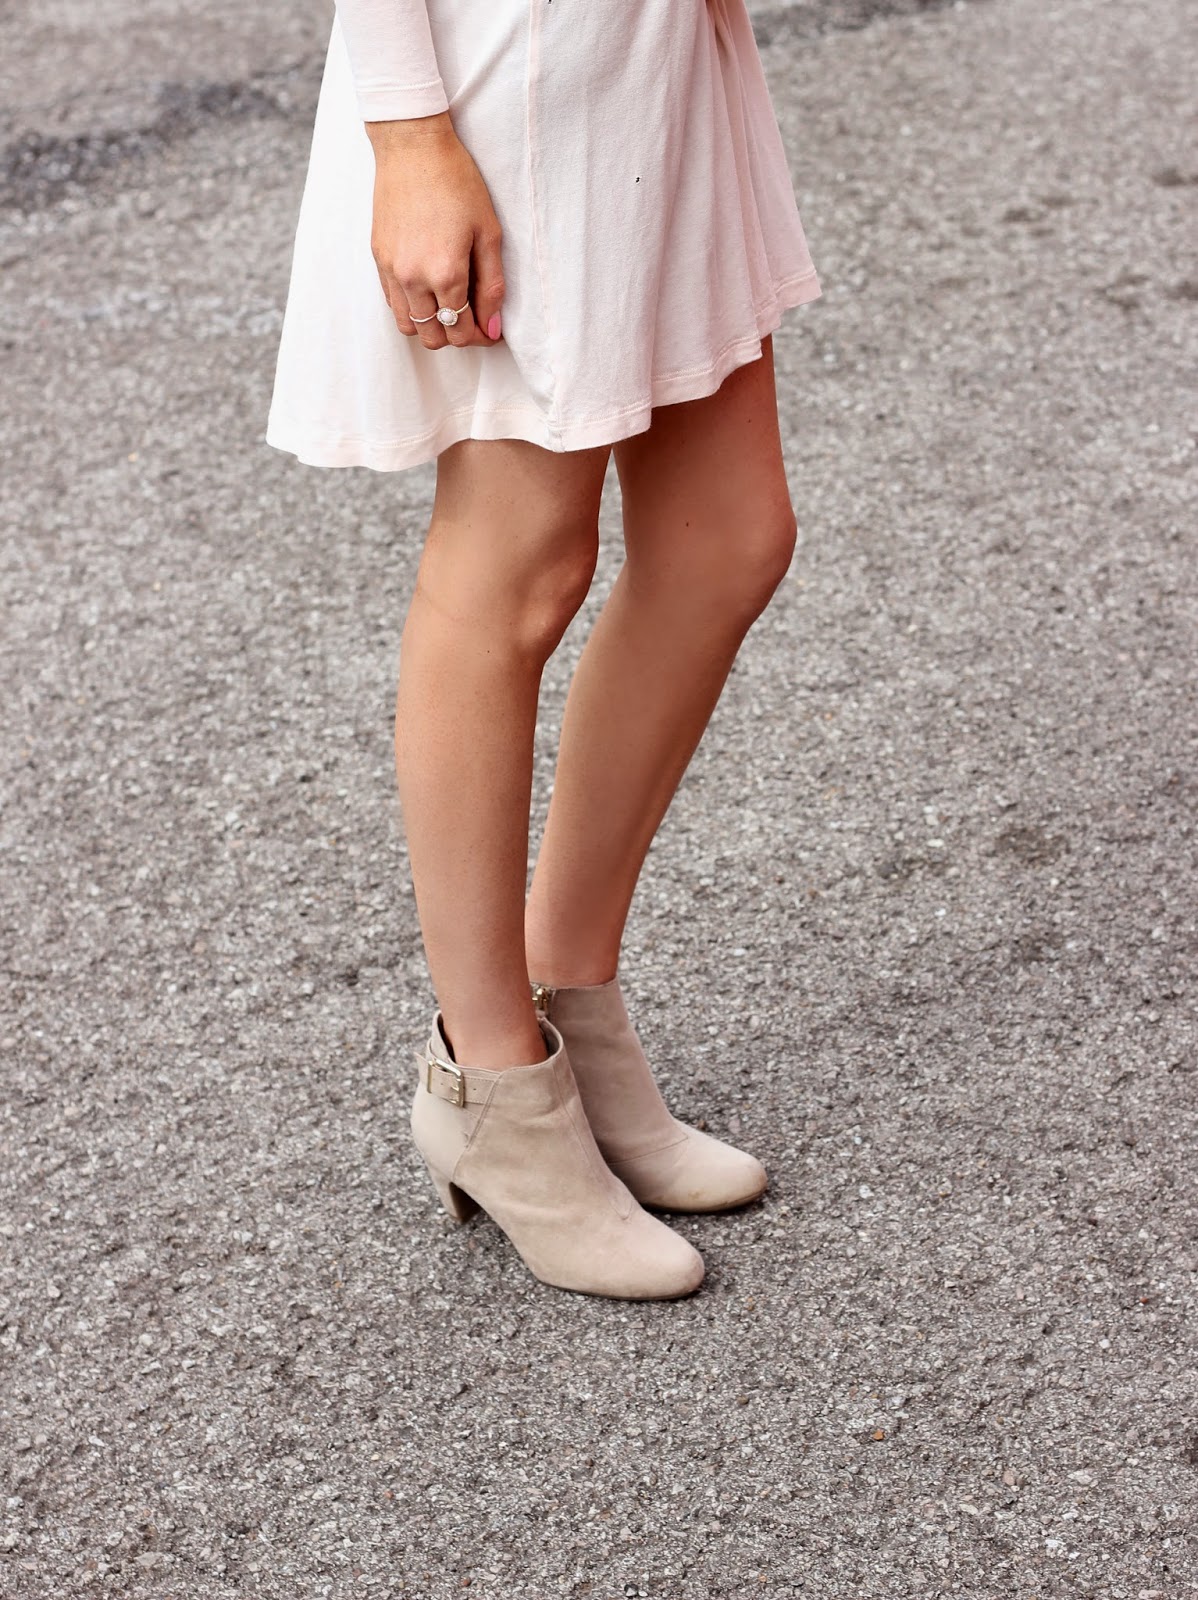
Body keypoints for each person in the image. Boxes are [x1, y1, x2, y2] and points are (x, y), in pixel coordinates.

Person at [266, 0, 822, 1301]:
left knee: (726, 540)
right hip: (516, 71)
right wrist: (408, 136)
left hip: (663, 57)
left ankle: (567, 993)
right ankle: (493, 1085)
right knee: (518, 569)